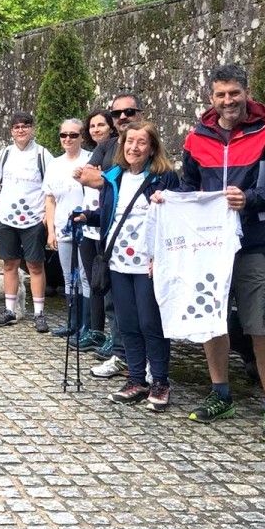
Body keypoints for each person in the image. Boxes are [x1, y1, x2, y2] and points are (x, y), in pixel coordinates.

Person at [173, 63, 265, 444]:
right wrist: (169, 201)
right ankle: (220, 393)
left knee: (261, 324)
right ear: (212, 97)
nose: (228, 101)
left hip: (257, 243)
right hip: (210, 246)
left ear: (246, 92)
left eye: (234, 93)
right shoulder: (197, 138)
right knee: (212, 319)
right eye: (221, 95)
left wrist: (250, 199)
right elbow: (189, 188)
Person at [79, 121, 179, 410]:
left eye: (141, 143)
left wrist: (167, 202)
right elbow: (111, 216)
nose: (134, 147)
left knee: (151, 323)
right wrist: (88, 216)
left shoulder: (164, 178)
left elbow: (176, 216)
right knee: (127, 324)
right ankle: (136, 378)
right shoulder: (114, 177)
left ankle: (160, 381)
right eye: (129, 142)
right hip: (118, 262)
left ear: (152, 148)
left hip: (148, 265)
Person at [0, 111, 53, 331]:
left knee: (35, 265)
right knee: (10, 264)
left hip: (33, 218)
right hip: (6, 218)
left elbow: (50, 189)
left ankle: (39, 313)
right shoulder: (4, 154)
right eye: (17, 127)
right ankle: (10, 310)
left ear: (32, 128)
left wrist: (46, 218)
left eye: (25, 125)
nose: (21, 130)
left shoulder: (43, 155)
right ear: (11, 131)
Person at [43, 118, 93, 337]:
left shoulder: (90, 160)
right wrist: (51, 230)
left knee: (84, 276)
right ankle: (72, 323)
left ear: (82, 136)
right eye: (63, 135)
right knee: (68, 277)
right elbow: (50, 199)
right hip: (63, 227)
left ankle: (87, 326)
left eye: (73, 135)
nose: (68, 139)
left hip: (87, 227)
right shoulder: (54, 164)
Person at [75, 110, 114, 353]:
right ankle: (96, 330)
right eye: (92, 126)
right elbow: (82, 177)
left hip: (106, 223)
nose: (96, 129)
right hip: (89, 221)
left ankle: (114, 337)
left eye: (101, 125)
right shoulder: (92, 155)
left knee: (110, 284)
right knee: (93, 281)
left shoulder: (116, 153)